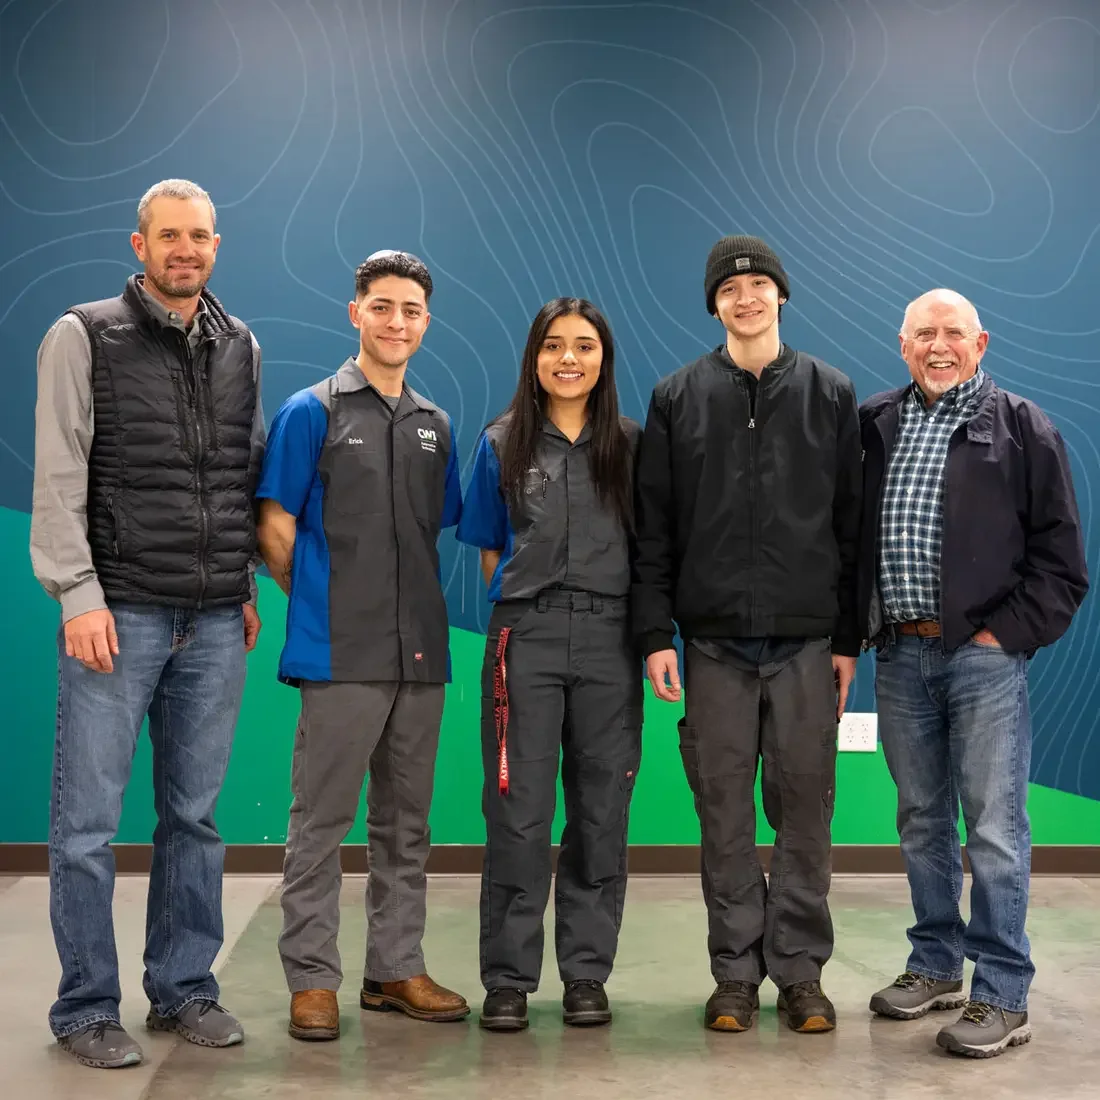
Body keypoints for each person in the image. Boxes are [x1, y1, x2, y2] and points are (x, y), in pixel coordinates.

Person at [30, 179, 264, 1068]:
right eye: (169, 236)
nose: (186, 250)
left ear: (215, 244)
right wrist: (78, 594)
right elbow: (59, 473)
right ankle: (87, 1006)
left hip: (210, 621)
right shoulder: (82, 334)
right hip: (117, 611)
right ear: (140, 245)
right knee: (87, 825)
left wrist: (240, 582)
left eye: (200, 236)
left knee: (194, 819)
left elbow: (235, 475)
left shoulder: (239, 342)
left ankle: (184, 989)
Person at [632, 235, 862, 1034]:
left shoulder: (831, 394)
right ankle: (734, 975)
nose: (747, 297)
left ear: (781, 297)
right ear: (715, 305)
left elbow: (850, 526)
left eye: (761, 284)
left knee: (804, 816)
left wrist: (846, 640)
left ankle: (800, 975)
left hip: (805, 644)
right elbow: (652, 528)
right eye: (731, 289)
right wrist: (656, 633)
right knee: (723, 816)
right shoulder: (676, 397)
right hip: (712, 646)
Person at [859, 289, 1088, 1058]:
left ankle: (1002, 992)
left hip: (982, 661)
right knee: (921, 822)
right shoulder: (875, 424)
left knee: (994, 829)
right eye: (922, 333)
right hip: (900, 655)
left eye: (952, 332)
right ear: (902, 345)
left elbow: (1062, 564)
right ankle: (935, 965)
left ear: (980, 342)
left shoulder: (1024, 429)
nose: (938, 345)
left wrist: (1000, 637)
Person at [256, 250, 468, 1042]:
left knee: (406, 825)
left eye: (410, 310)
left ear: (425, 323)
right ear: (356, 314)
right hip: (338, 653)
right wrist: (321, 601)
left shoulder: (434, 424)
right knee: (320, 824)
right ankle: (312, 979)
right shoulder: (309, 412)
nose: (396, 322)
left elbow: (433, 528)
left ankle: (394, 969)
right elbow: (275, 526)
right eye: (382, 307)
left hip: (420, 657)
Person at [455, 298, 642, 1032]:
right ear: (534, 358)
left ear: (604, 359)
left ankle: (587, 975)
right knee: (518, 815)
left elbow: (652, 550)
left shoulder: (631, 445)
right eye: (554, 346)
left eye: (585, 347)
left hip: (611, 642)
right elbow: (491, 551)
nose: (570, 359)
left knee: (600, 814)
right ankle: (507, 978)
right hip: (522, 641)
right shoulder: (501, 442)